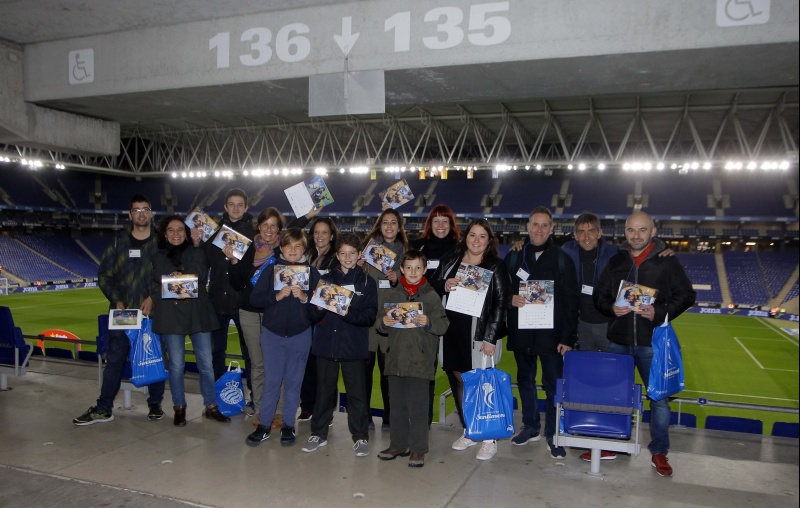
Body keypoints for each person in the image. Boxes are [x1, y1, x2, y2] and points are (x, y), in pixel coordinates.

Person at [594, 211, 696, 477]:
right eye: (631, 230)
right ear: (625, 232)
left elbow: (687, 295)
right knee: (616, 398)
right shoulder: (617, 260)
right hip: (618, 341)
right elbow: (599, 296)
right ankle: (614, 444)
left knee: (659, 399)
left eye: (642, 230)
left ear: (653, 231)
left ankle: (660, 451)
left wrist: (659, 312)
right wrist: (611, 307)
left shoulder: (667, 261)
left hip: (652, 344)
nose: (636, 235)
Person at [73, 194, 167, 426]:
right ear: (130, 215)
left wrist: (153, 298)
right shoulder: (118, 242)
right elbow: (104, 275)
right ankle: (104, 408)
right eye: (137, 210)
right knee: (114, 360)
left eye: (146, 209)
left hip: (151, 313)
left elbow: (169, 276)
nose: (142, 214)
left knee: (153, 357)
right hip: (122, 314)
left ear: (152, 213)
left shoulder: (161, 243)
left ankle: (155, 405)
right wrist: (116, 300)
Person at [431, 218, 511, 461]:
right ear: (465, 237)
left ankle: (489, 438)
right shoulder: (451, 260)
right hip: (452, 330)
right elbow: (432, 284)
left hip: (479, 334)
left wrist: (490, 337)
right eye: (472, 235)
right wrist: (444, 283)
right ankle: (470, 429)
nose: (476, 240)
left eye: (482, 236)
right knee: (458, 378)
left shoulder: (495, 266)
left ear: (489, 241)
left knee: (482, 382)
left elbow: (500, 304)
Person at [505, 207, 579, 459]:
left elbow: (571, 302)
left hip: (551, 337)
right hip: (522, 334)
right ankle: (531, 425)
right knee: (525, 382)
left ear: (552, 229)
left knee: (552, 386)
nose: (539, 229)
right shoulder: (515, 256)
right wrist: (509, 299)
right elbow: (500, 289)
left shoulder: (561, 259)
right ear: (527, 226)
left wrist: (567, 338)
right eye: (535, 224)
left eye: (544, 225)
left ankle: (552, 432)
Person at [302, 233, 377, 457]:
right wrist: (317, 308)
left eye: (352, 253)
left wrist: (346, 311)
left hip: (353, 345)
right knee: (324, 392)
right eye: (343, 253)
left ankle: (361, 436)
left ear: (359, 255)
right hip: (326, 344)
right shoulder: (324, 280)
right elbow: (311, 314)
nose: (347, 257)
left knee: (357, 395)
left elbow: (369, 317)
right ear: (337, 254)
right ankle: (318, 433)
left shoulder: (367, 282)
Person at [150, 216, 229, 426]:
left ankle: (211, 405)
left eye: (180, 229)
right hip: (170, 314)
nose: (176, 233)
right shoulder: (158, 256)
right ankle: (179, 406)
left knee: (206, 363)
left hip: (198, 312)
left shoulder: (196, 251)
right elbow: (162, 276)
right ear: (165, 234)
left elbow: (200, 274)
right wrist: (184, 276)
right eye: (171, 230)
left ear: (186, 233)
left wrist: (179, 276)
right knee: (176, 364)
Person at [245, 228, 320, 448]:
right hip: (273, 335)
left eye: (298, 246)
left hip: (300, 335)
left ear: (304, 249)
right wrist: (276, 296)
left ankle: (288, 425)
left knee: (294, 383)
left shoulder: (312, 273)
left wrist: (305, 298)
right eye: (289, 246)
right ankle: (264, 425)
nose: (293, 250)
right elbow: (255, 299)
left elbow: (319, 309)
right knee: (271, 382)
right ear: (282, 248)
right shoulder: (271, 270)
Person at [376, 250, 449, 467]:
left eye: (418, 268)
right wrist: (384, 323)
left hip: (420, 360)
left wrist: (428, 322)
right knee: (396, 406)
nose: (413, 272)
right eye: (408, 268)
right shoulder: (392, 295)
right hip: (395, 359)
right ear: (401, 270)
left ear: (425, 269)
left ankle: (418, 449)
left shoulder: (431, 296)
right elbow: (380, 322)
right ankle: (398, 444)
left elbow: (444, 325)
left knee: (418, 407)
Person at [227, 207, 285, 429]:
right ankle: (261, 409)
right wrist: (233, 261)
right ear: (258, 226)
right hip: (249, 312)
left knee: (276, 363)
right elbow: (236, 282)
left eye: (274, 225)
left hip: (274, 312)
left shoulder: (283, 250)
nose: (269, 229)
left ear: (278, 228)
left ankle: (278, 410)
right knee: (258, 364)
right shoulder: (246, 248)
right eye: (265, 224)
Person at [411, 204, 461, 425]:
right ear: (429, 224)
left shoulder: (461, 248)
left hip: (453, 312)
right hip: (423, 312)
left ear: (452, 225)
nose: (440, 226)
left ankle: (466, 420)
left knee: (454, 368)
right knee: (425, 369)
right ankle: (424, 422)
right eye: (436, 221)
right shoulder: (418, 247)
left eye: (445, 221)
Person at [360, 209, 409, 431]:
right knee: (365, 373)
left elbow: (413, 286)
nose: (389, 226)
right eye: (385, 222)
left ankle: (390, 417)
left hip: (392, 321)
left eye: (393, 223)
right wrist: (359, 265)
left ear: (399, 227)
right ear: (379, 226)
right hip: (369, 321)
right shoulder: (368, 251)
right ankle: (364, 416)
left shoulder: (406, 254)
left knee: (389, 374)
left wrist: (399, 278)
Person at [205, 189, 254, 389]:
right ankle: (218, 394)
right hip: (216, 302)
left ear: (246, 207)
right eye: (231, 204)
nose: (235, 208)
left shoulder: (253, 233)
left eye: (240, 204)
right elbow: (204, 260)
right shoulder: (214, 231)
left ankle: (254, 397)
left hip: (243, 302)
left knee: (249, 353)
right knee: (216, 353)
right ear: (225, 207)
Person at [298, 216, 340, 422]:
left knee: (325, 366)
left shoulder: (337, 258)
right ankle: (307, 405)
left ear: (332, 235)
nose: (320, 236)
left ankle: (326, 409)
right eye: (316, 232)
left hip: (327, 317)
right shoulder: (306, 256)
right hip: (307, 315)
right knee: (307, 363)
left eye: (324, 232)